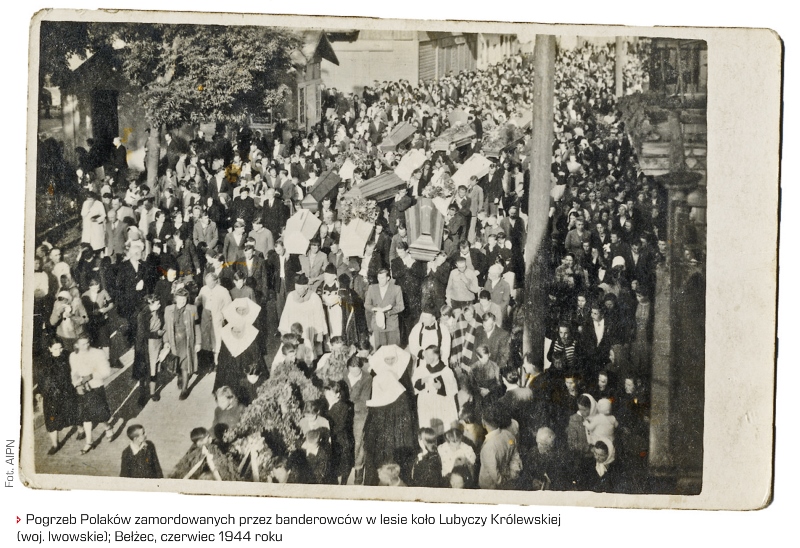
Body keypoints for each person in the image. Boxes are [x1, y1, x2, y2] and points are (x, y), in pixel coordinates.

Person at [363, 345, 416, 486]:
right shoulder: (378, 376)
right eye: (388, 359)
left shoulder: (401, 396)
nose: (391, 361)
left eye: (393, 358)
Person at [70, 336, 114, 455]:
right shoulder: (73, 356)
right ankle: (89, 442)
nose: (86, 346)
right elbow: (74, 373)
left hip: (96, 387)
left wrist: (91, 376)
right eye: (83, 344)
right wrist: (77, 384)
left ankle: (107, 427)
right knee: (86, 416)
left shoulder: (98, 353)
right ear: (76, 345)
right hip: (82, 389)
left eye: (87, 343)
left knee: (100, 414)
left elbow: (106, 372)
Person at [36, 338, 80, 454]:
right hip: (51, 395)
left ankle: (81, 430)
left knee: (74, 412)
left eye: (60, 348)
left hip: (67, 391)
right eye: (55, 349)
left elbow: (76, 371)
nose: (59, 351)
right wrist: (39, 392)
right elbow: (41, 379)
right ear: (49, 349)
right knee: (51, 420)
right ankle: (55, 444)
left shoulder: (68, 356)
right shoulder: (44, 361)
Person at [163, 287, 202, 400]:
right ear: (175, 299)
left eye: (184, 299)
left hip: (187, 341)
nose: (182, 302)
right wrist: (166, 341)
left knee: (185, 365)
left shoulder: (192, 309)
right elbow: (165, 327)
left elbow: (196, 326)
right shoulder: (168, 309)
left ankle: (185, 389)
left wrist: (198, 342)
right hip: (174, 341)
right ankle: (180, 377)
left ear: (187, 299)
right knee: (177, 363)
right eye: (179, 299)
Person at [413, 345, 459, 437]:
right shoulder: (421, 369)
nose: (424, 357)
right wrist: (422, 381)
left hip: (440, 404)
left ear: (436, 356)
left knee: (441, 429)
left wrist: (441, 387)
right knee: (427, 428)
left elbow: (453, 389)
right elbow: (414, 386)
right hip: (426, 405)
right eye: (425, 355)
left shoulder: (446, 371)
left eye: (427, 355)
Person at [278, 273, 327, 359]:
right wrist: (283, 329)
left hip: (308, 329)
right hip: (294, 328)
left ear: (306, 287)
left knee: (308, 350)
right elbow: (286, 313)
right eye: (296, 288)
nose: (298, 291)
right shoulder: (291, 296)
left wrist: (319, 333)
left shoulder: (314, 297)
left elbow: (319, 316)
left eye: (300, 288)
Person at [478, 403, 522, 490]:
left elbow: (495, 476)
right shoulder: (509, 435)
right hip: (507, 479)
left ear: (483, 422)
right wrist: (512, 475)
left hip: (490, 486)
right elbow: (515, 457)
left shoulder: (489, 447)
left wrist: (503, 483)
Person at [133, 294, 164, 404]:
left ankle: (152, 392)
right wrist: (156, 334)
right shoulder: (142, 315)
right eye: (157, 303)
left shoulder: (159, 312)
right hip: (146, 345)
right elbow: (142, 334)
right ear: (151, 304)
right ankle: (142, 394)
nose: (160, 305)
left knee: (154, 368)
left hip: (157, 343)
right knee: (144, 371)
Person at [196, 272, 232, 366]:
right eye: (206, 282)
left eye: (210, 282)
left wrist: (223, 316)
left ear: (216, 281)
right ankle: (208, 362)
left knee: (217, 338)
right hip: (205, 318)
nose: (208, 284)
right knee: (205, 338)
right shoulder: (203, 289)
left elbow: (228, 304)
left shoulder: (223, 290)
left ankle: (216, 362)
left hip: (217, 318)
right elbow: (198, 301)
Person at [364, 268, 405, 348]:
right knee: (380, 351)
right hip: (378, 324)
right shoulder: (372, 288)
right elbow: (367, 304)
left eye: (382, 278)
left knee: (393, 350)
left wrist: (389, 311)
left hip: (392, 325)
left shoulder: (396, 289)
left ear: (388, 278)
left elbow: (401, 306)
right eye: (378, 278)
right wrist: (375, 310)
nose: (380, 280)